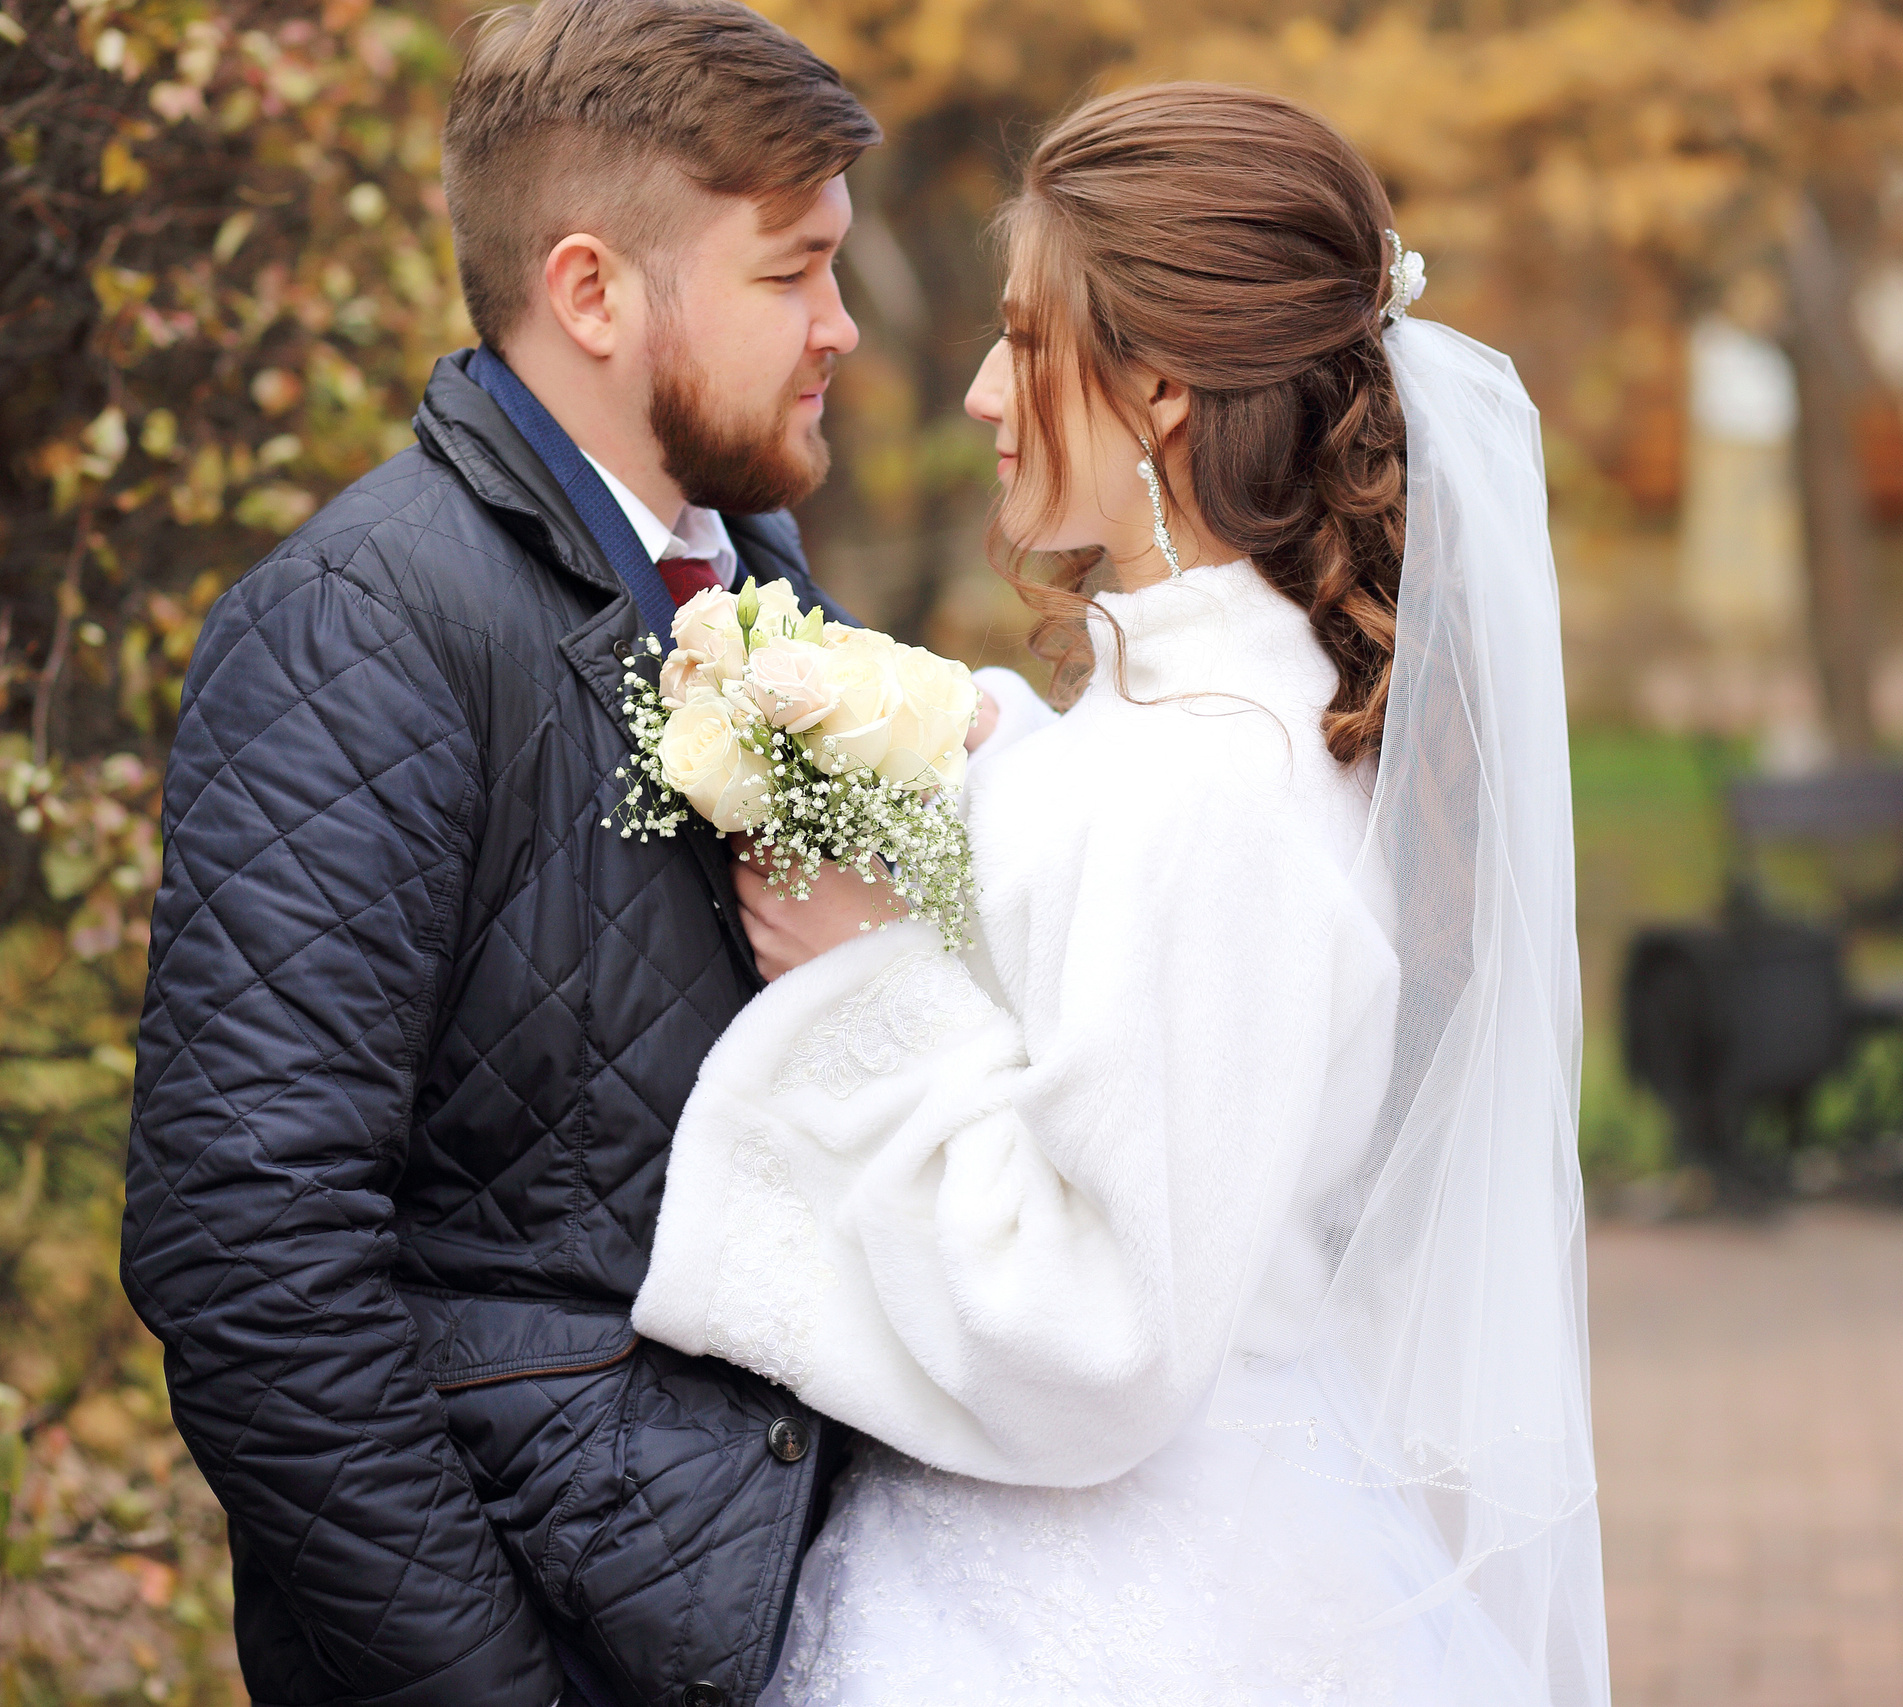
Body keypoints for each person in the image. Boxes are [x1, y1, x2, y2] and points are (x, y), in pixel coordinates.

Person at [634, 85, 1613, 1705]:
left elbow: (1102, 1331)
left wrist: (868, 984)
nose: (976, 392)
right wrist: (970, 749)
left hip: (1097, 1614)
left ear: (1161, 389)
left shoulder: (1205, 788)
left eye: (1023, 340)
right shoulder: (1212, 720)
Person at [117, 4, 886, 1705]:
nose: (839, 329)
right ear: (593, 288)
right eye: (790, 274)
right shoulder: (365, 625)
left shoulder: (759, 583)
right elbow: (247, 1250)